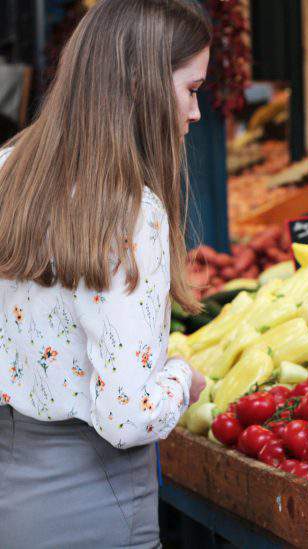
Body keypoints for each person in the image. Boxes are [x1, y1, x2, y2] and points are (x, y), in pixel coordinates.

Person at [0, 1, 210, 547]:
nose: (196, 112)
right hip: (95, 503)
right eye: (191, 89)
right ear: (142, 84)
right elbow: (126, 417)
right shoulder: (131, 212)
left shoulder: (6, 169)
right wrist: (183, 379)